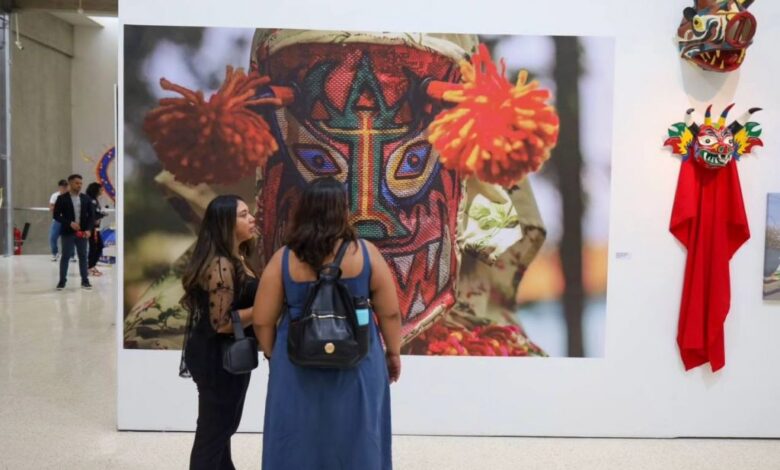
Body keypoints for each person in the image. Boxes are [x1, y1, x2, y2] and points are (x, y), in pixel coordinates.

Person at [253, 177, 402, 470]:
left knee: (296, 436)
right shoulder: (365, 253)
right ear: (342, 210)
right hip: (358, 360)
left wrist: (274, 354)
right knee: (359, 434)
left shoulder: (284, 258)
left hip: (296, 362)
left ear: (303, 210)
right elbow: (390, 313)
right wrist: (393, 352)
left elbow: (261, 320)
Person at [179, 195, 258, 470]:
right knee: (213, 434)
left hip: (226, 356)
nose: (252, 218)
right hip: (217, 359)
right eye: (243, 215)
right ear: (225, 223)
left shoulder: (237, 258)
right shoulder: (221, 264)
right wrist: (263, 309)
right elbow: (221, 323)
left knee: (222, 430)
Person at [54, 174, 95, 290]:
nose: (79, 185)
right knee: (65, 256)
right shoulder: (62, 198)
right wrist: (69, 223)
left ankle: (85, 281)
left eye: (81, 183)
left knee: (83, 256)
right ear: (70, 183)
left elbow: (91, 216)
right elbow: (56, 215)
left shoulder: (86, 198)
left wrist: (89, 229)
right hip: (67, 233)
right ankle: (62, 281)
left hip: (83, 233)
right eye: (77, 183)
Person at [85, 182, 107, 277]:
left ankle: (91, 266)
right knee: (96, 246)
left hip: (95, 228)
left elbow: (95, 213)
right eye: (100, 189)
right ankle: (90, 267)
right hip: (92, 228)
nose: (102, 191)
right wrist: (102, 215)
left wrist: (101, 214)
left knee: (97, 246)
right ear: (95, 190)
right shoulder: (91, 200)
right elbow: (92, 215)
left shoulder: (94, 200)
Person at [48, 179, 68, 261]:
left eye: (65, 186)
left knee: (69, 238)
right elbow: (51, 207)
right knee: (53, 237)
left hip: (68, 220)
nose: (64, 188)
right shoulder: (55, 196)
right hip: (57, 220)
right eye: (63, 186)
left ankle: (71, 255)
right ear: (59, 187)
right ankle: (55, 253)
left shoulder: (70, 196)